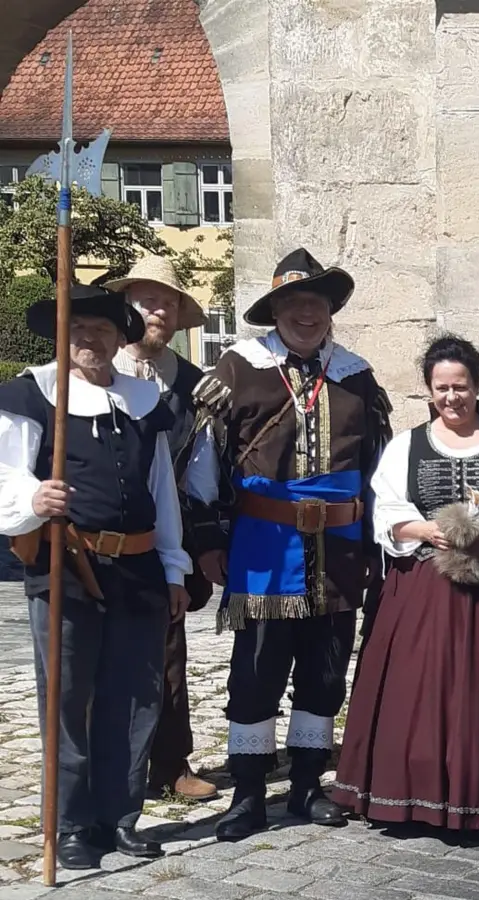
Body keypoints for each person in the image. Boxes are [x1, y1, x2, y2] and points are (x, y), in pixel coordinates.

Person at [185, 248, 393, 841]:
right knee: (256, 672)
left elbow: (378, 469)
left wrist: (374, 548)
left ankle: (306, 785)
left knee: (325, 670)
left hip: (340, 547)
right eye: (294, 303)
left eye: (316, 303)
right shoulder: (239, 368)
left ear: (331, 311)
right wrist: (207, 538)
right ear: (275, 311)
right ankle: (249, 794)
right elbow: (202, 464)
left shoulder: (356, 375)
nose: (307, 314)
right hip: (263, 544)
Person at [331, 336, 479, 829]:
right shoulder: (407, 446)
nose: (451, 397)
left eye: (460, 387)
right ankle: (411, 796)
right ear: (429, 390)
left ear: (477, 386)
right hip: (423, 591)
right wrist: (426, 530)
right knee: (415, 695)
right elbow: (387, 509)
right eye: (441, 388)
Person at [0, 286, 189, 868]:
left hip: (138, 567)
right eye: (78, 328)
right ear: (62, 334)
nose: (90, 339)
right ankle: (72, 824)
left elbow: (162, 489)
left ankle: (119, 816)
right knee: (66, 698)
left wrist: (174, 566)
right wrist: (34, 498)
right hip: (66, 568)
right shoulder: (35, 394)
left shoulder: (143, 400)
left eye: (103, 329)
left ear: (119, 338)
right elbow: (5, 476)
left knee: (134, 697)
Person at [103, 255, 219, 803]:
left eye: (167, 302)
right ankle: (106, 769)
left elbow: (203, 471)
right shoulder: (97, 371)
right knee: (100, 656)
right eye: (147, 300)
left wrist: (204, 542)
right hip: (100, 534)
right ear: (128, 307)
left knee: (170, 653)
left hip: (167, 536)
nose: (158, 310)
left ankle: (171, 763)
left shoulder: (195, 385)